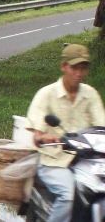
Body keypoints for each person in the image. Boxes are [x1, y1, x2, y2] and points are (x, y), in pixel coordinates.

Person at [26, 43, 105, 222]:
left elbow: (102, 127)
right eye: (74, 68)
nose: (79, 73)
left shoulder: (90, 94)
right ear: (64, 67)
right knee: (69, 197)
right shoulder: (45, 94)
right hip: (54, 161)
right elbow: (37, 135)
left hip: (86, 161)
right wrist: (45, 137)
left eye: (83, 68)